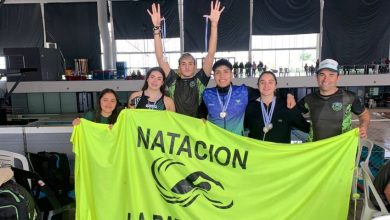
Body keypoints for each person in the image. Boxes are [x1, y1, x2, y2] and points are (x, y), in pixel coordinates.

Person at [147, 1, 224, 118]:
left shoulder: (200, 80)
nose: (187, 66)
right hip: (176, 128)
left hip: (195, 128)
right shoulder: (172, 80)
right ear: (178, 67)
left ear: (195, 66)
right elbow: (159, 56)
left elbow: (211, 54)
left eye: (190, 63)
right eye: (183, 64)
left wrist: (214, 25)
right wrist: (156, 28)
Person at [199, 59, 295, 135]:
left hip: (237, 144)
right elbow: (200, 113)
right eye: (218, 72)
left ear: (232, 74)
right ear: (214, 75)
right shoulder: (207, 94)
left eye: (226, 71)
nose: (222, 76)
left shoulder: (243, 91)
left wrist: (288, 93)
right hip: (215, 142)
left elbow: (265, 90)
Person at [297, 59, 370, 141]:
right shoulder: (308, 99)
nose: (326, 79)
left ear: (337, 77)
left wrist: (363, 127)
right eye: (322, 75)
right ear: (317, 77)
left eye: (331, 75)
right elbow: (292, 114)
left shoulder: (349, 97)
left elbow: (364, 114)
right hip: (316, 149)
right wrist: (289, 94)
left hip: (341, 148)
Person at [244, 71, 310, 143]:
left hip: (281, 153)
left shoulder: (287, 106)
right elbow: (238, 128)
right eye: (262, 82)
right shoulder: (249, 107)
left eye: (270, 82)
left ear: (276, 85)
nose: (266, 85)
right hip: (257, 153)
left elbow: (305, 127)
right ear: (258, 85)